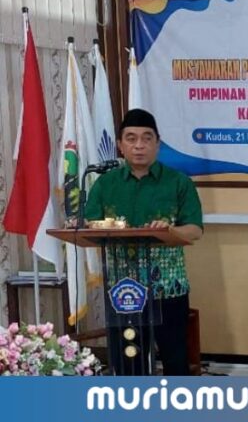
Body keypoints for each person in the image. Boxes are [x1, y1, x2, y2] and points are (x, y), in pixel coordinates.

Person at [85, 109, 203, 375]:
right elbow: (90, 225)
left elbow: (195, 230)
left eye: (147, 138)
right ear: (120, 145)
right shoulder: (105, 184)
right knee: (128, 362)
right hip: (123, 291)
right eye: (131, 138)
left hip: (168, 289)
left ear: (157, 144)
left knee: (175, 361)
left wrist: (170, 230)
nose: (139, 145)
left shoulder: (178, 182)